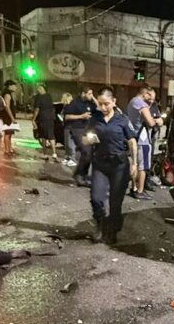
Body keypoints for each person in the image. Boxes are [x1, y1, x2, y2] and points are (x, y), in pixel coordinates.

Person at [83, 86, 137, 245]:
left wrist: (134, 163)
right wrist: (89, 139)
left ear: (114, 101)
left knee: (115, 202)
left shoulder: (123, 120)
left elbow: (132, 142)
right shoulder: (95, 119)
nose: (103, 107)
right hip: (100, 163)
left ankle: (112, 230)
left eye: (106, 103)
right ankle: (100, 225)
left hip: (119, 165)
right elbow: (85, 139)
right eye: (100, 104)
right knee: (96, 198)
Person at [126, 86, 163, 201]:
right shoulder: (141, 104)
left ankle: (134, 188)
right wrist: (156, 120)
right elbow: (151, 122)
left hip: (134, 138)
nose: (151, 98)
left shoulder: (132, 102)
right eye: (150, 95)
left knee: (135, 164)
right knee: (143, 167)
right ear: (145, 94)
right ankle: (140, 191)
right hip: (143, 139)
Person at [64, 86, 96, 180]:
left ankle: (83, 174)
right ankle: (78, 174)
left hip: (87, 129)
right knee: (86, 151)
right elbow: (67, 117)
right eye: (89, 93)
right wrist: (81, 116)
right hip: (77, 128)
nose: (91, 96)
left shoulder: (90, 103)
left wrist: (93, 98)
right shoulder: (74, 103)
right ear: (83, 94)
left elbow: (99, 109)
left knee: (90, 153)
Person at [32, 82, 58, 162]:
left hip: (43, 118)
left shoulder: (39, 97)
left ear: (43, 89)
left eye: (40, 88)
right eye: (38, 88)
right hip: (50, 118)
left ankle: (45, 154)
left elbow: (37, 109)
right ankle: (54, 154)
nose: (38, 90)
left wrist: (33, 119)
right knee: (51, 135)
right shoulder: (49, 96)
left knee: (43, 136)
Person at [1, 80, 19, 156]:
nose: (16, 87)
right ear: (10, 86)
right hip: (7, 117)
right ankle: (6, 150)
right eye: (14, 86)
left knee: (10, 133)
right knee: (7, 133)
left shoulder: (8, 93)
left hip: (9, 116)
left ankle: (9, 149)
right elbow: (7, 107)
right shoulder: (7, 94)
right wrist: (12, 118)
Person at [58, 92, 77, 166]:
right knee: (66, 144)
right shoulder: (65, 106)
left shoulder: (71, 106)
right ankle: (67, 158)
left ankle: (73, 159)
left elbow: (67, 116)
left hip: (71, 126)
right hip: (66, 126)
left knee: (70, 144)